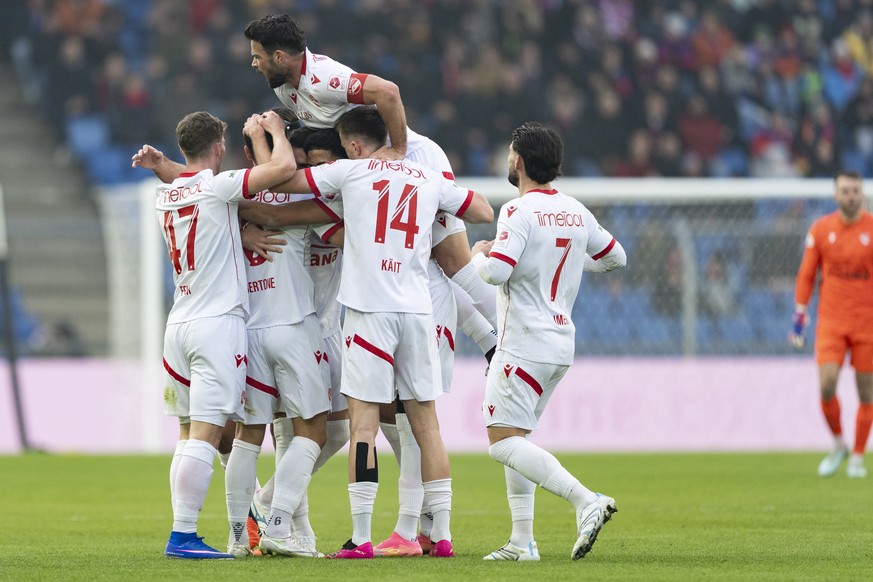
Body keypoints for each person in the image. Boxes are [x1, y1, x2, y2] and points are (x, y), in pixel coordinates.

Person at [237, 106, 494, 559]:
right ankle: (443, 534)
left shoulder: (348, 173)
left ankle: (360, 538)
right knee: (427, 425)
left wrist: (265, 151)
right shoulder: (424, 176)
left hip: (370, 314)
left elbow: (282, 187)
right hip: (415, 311)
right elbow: (480, 208)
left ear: (353, 144)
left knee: (362, 426)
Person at [243, 14, 500, 333]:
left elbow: (388, 92)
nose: (254, 64)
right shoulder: (286, 89)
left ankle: (512, 332)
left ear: (279, 57)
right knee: (418, 269)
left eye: (257, 56)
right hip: (370, 175)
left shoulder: (323, 77)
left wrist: (398, 152)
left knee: (451, 261)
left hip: (412, 163)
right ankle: (491, 342)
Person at [133, 109, 296, 559]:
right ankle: (182, 535)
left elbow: (182, 178)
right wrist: (277, 132)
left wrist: (237, 233)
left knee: (188, 433)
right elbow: (283, 169)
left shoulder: (166, 194)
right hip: (216, 326)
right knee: (208, 433)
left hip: (179, 324)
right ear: (219, 149)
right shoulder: (217, 187)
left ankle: (185, 531)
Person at [470, 122, 626, 561]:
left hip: (523, 343)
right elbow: (616, 256)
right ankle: (522, 543)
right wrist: (574, 265)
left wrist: (478, 255)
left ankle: (585, 500)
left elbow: (497, 272)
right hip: (560, 342)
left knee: (502, 442)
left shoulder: (518, 212)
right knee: (517, 439)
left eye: (509, 152)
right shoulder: (576, 210)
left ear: (518, 161)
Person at [790, 169, 873, 478]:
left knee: (867, 394)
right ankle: (839, 443)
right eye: (845, 191)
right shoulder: (822, 229)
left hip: (867, 323)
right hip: (832, 322)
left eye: (855, 190)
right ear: (836, 195)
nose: (850, 196)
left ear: (861, 194)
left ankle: (857, 458)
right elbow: (807, 274)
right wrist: (800, 314)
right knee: (826, 385)